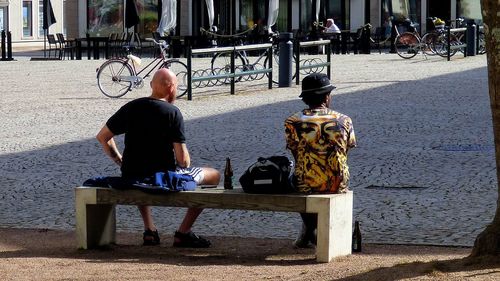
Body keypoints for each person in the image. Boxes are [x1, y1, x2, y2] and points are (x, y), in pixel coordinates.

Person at [96, 68, 220, 248]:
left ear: (152, 85)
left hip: (132, 176)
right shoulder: (172, 112)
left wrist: (119, 160)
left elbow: (103, 137)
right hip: (163, 178)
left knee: (139, 174)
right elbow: (183, 162)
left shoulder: (131, 107)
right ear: (171, 88)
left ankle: (150, 230)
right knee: (213, 175)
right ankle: (183, 232)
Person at [284, 73, 356, 248]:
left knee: (296, 180)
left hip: (307, 181)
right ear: (327, 96)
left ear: (305, 99)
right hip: (339, 181)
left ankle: (312, 230)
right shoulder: (344, 120)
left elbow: (296, 154)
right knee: (308, 180)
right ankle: (311, 232)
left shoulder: (292, 122)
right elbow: (346, 150)